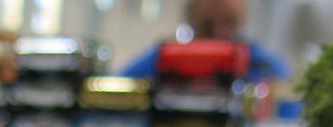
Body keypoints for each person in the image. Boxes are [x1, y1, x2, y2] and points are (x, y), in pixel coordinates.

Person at [118, 0, 291, 82]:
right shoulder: (163, 60)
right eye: (207, 25)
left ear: (243, 18)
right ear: (189, 17)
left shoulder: (268, 69)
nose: (219, 32)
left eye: (229, 22)